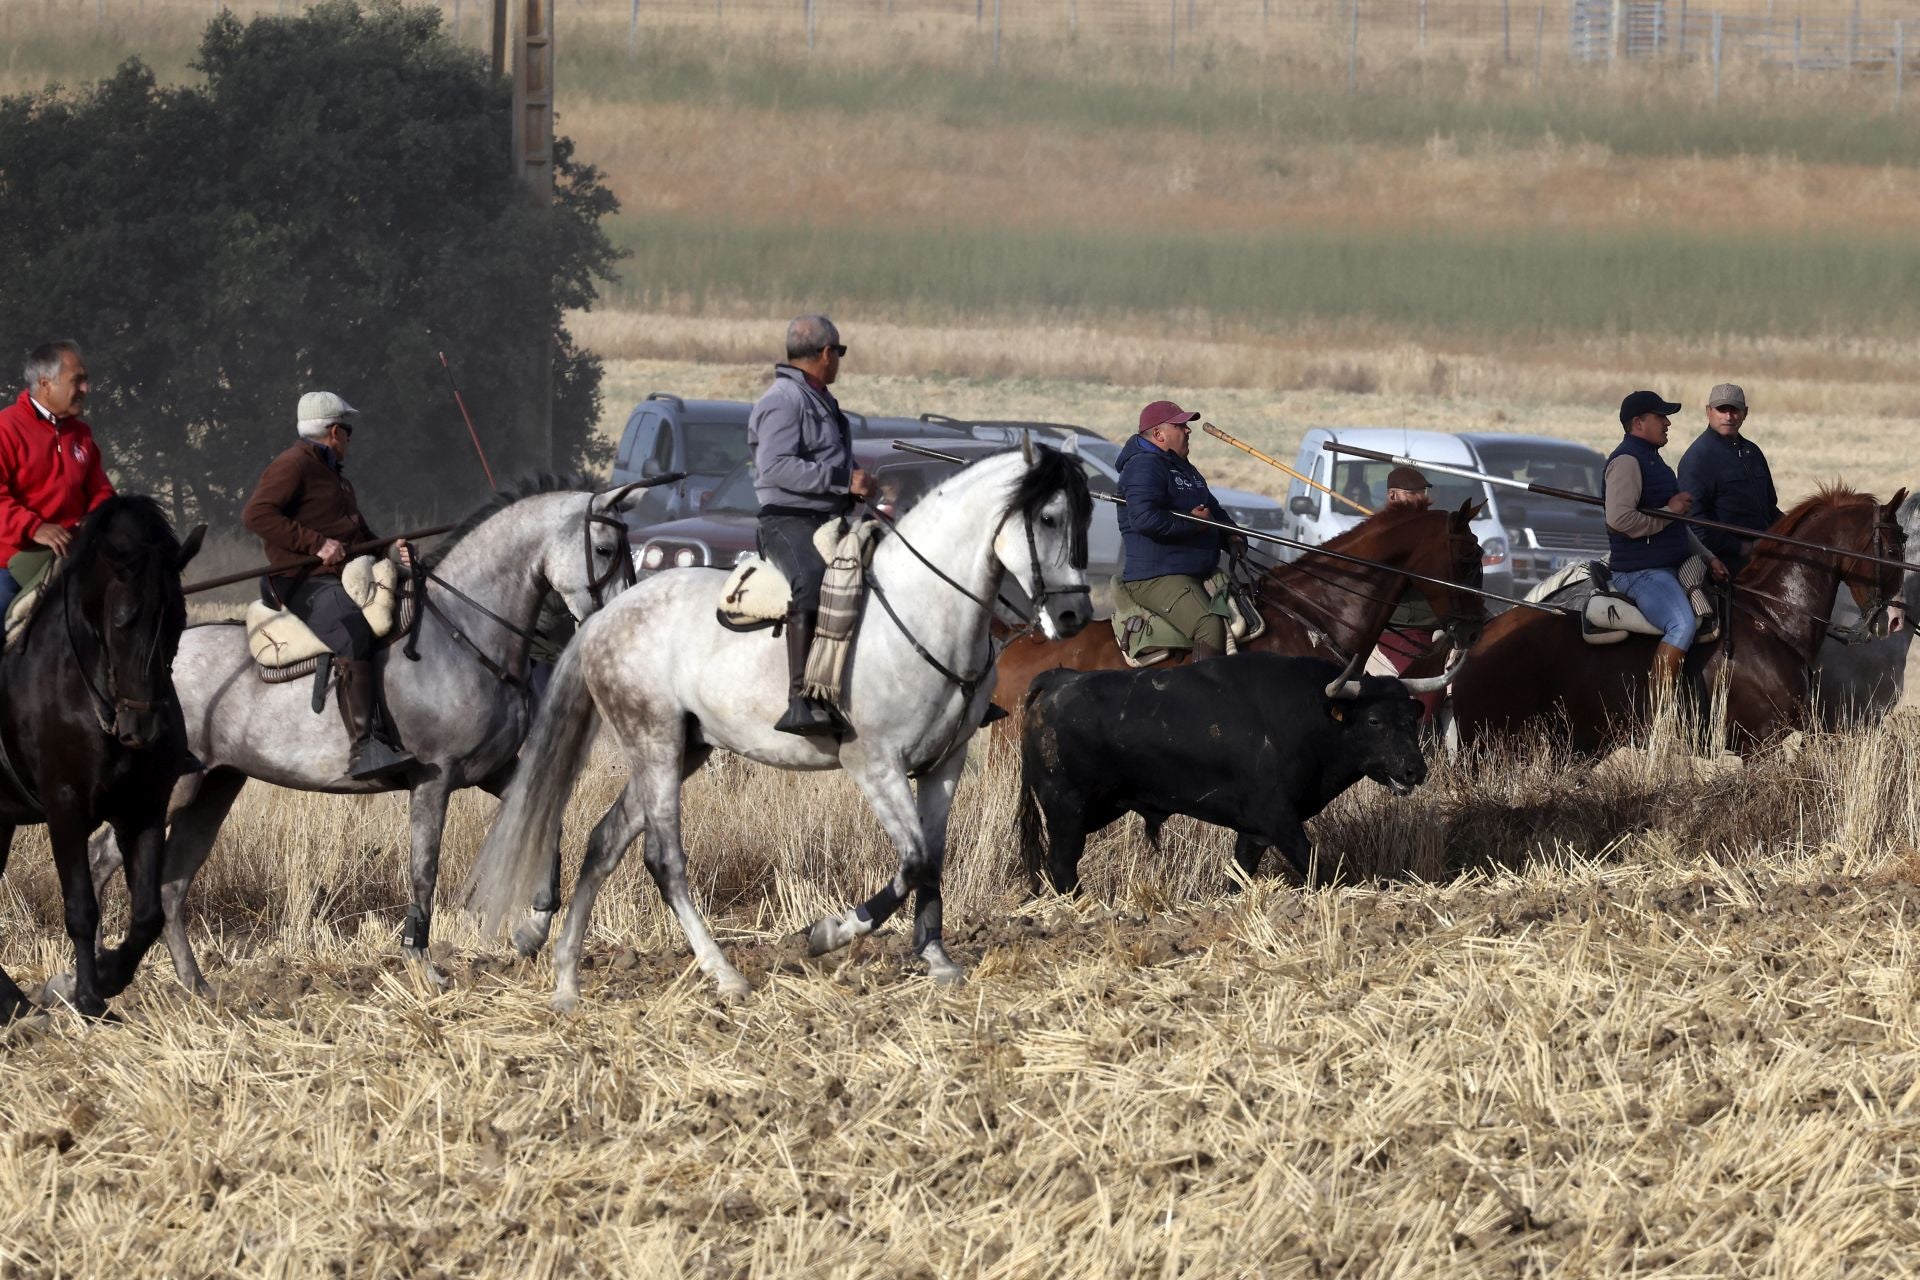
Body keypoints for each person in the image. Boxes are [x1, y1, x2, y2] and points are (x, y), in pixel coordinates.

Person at [242, 391, 413, 780]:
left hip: (339, 576)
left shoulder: (336, 477)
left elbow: (360, 535)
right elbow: (256, 515)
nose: (351, 439)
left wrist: (390, 548)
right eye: (348, 431)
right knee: (353, 630)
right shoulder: (292, 465)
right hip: (301, 580)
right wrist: (315, 544)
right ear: (334, 432)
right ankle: (365, 747)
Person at [749, 315, 870, 736]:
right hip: (788, 520)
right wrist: (841, 481)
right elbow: (777, 467)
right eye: (839, 352)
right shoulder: (784, 400)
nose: (839, 360)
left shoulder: (820, 400)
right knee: (814, 581)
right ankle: (800, 699)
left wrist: (856, 483)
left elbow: (826, 460)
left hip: (830, 517)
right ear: (825, 353)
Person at [1604, 390, 1727, 703]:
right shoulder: (1627, 462)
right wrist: (1670, 511)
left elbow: (1675, 527)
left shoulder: (1652, 460)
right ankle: (1657, 711)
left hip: (1668, 568)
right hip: (1639, 572)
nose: (1668, 423)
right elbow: (1620, 520)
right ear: (1638, 422)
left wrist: (1708, 557)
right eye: (1661, 417)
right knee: (1682, 623)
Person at [0, 341, 115, 619]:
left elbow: (101, 491)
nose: (86, 389)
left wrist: (96, 519)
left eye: (86, 380)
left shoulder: (82, 436)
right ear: (45, 383)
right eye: (77, 381)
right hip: (12, 561)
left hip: (75, 556)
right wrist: (35, 527)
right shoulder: (6, 429)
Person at [1116, 400, 1238, 660]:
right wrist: (1192, 524)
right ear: (1159, 434)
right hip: (1158, 576)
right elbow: (1144, 519)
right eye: (1180, 425)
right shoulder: (1143, 465)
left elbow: (1212, 509)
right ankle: (1201, 697)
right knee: (1209, 626)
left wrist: (1232, 535)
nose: (1188, 430)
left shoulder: (1184, 467)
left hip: (1195, 570)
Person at [1677, 383, 1781, 578]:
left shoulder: (1753, 452)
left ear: (1745, 413)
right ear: (1708, 412)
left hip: (1765, 550)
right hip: (1727, 560)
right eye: (1721, 409)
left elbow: (1770, 507)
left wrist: (1793, 531)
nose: (1728, 416)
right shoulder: (1698, 457)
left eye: (1734, 410)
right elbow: (1693, 522)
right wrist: (1741, 547)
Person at [1366, 467, 1444, 716]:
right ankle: (1425, 742)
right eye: (1412, 493)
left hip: (1444, 624)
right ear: (1392, 496)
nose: (1420, 498)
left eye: (1422, 492)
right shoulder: (1379, 536)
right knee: (1428, 687)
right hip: (1403, 627)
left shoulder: (1431, 531)